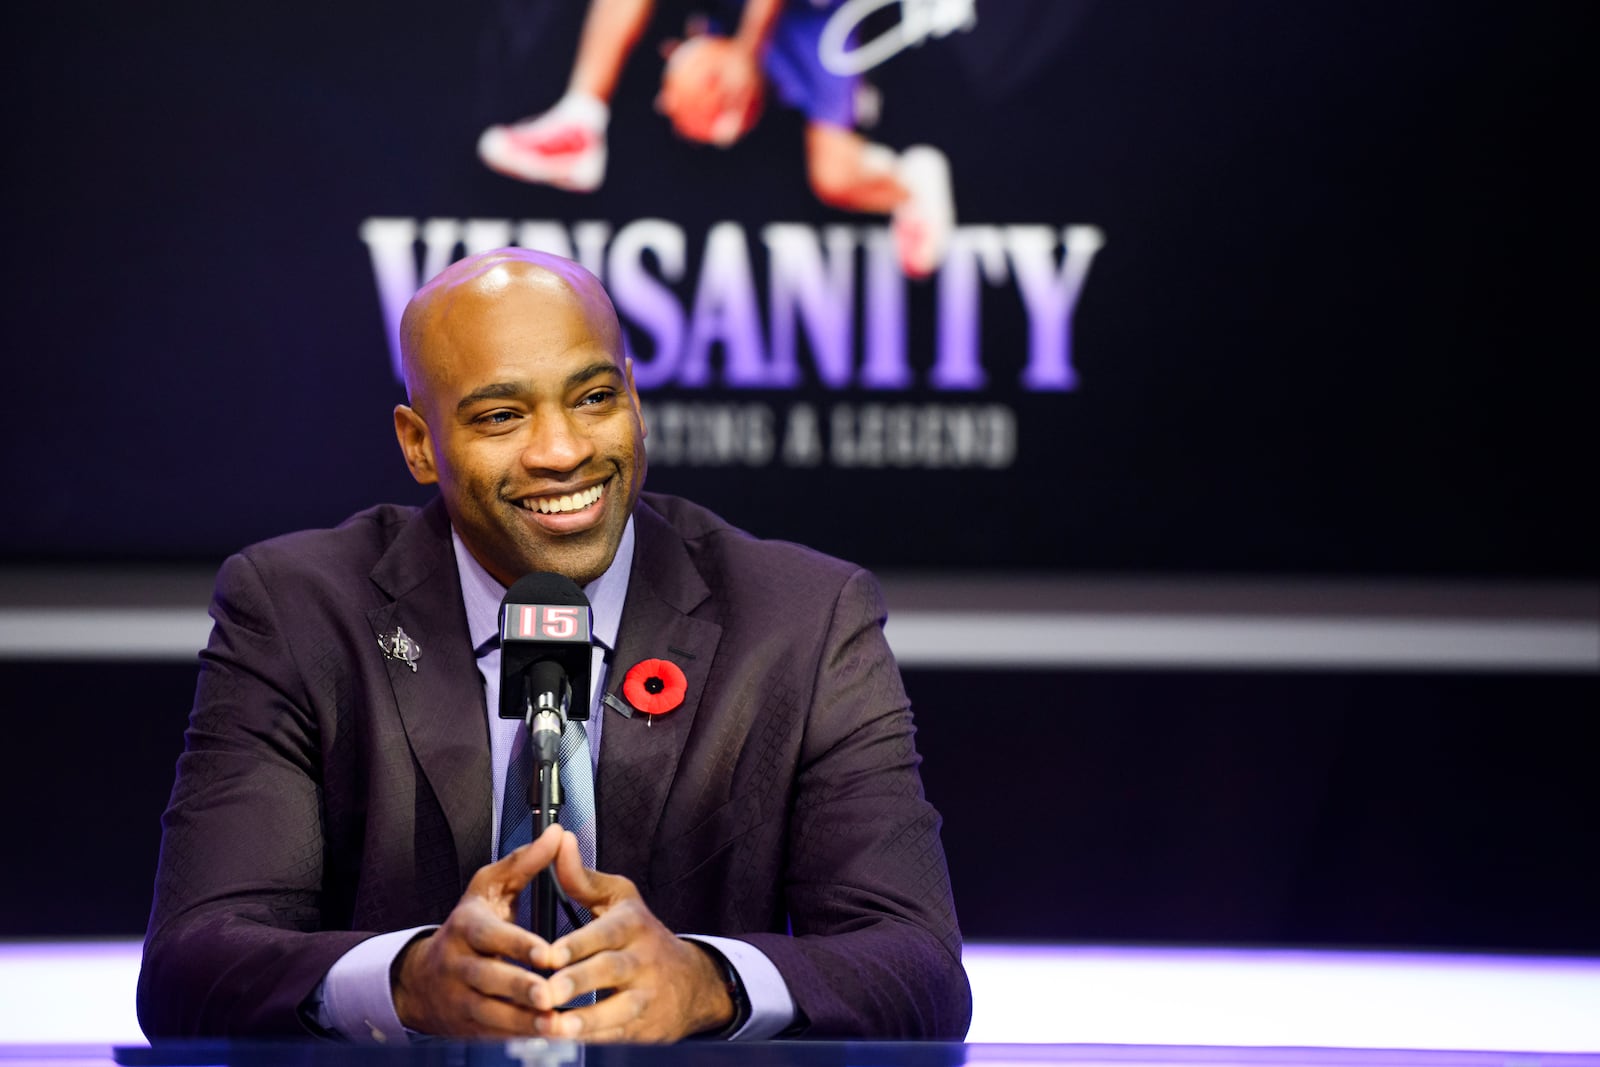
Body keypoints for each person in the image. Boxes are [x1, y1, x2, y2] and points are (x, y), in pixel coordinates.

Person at [137, 247, 971, 1043]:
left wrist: (707, 983)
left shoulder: (804, 620)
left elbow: (916, 964)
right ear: (419, 443)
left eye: (594, 398)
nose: (563, 451)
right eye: (501, 415)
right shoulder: (297, 613)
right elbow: (194, 959)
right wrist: (404, 980)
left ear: (635, 401)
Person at [474, 0, 956, 277]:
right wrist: (703, 70)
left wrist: (747, 53)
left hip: (816, 17)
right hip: (731, 24)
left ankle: (910, 184)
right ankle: (580, 121)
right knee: (693, 88)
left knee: (835, 176)